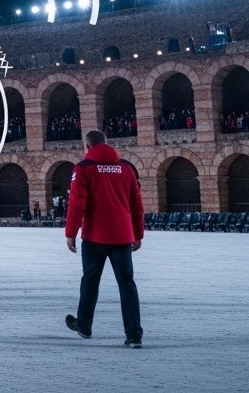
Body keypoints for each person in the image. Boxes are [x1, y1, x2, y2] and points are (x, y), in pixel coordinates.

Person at [64, 130, 144, 348]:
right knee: (127, 284)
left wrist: (70, 232)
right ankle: (134, 335)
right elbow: (137, 205)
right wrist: (138, 234)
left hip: (95, 236)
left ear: (88, 147)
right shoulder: (126, 168)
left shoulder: (84, 168)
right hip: (122, 236)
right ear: (107, 144)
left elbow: (77, 203)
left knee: (90, 281)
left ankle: (84, 325)